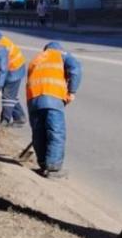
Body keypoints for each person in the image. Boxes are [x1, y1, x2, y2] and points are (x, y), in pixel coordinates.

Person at [26, 41, 82, 179]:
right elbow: (75, 69)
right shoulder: (61, 54)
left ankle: (44, 164)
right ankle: (53, 169)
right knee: (55, 132)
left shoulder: (36, 58)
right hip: (52, 97)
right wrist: (72, 91)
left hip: (33, 99)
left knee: (39, 133)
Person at [0, 28, 27, 127]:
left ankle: (4, 121)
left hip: (14, 69)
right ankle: (20, 117)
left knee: (7, 96)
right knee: (10, 95)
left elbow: (2, 69)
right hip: (7, 70)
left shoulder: (0, 47)